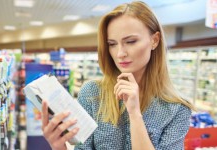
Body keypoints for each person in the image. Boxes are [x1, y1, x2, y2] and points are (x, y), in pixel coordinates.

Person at [41, 1, 194, 150]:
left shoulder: (176, 108)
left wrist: (135, 115)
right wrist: (59, 147)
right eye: (112, 44)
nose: (120, 53)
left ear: (154, 40)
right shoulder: (92, 93)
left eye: (131, 41)